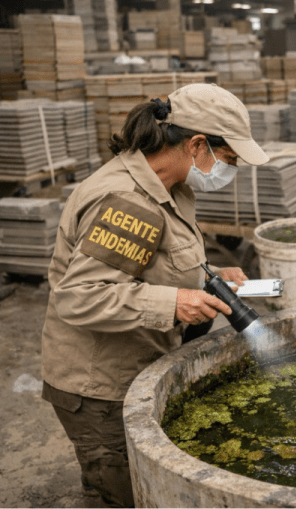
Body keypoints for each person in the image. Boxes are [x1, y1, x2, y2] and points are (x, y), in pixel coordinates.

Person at [40, 83, 269, 507]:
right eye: (229, 159)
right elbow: (79, 295)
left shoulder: (171, 188)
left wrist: (209, 275)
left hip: (137, 364)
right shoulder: (127, 201)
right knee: (126, 492)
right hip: (100, 387)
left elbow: (150, 261)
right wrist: (174, 303)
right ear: (196, 144)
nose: (228, 170)